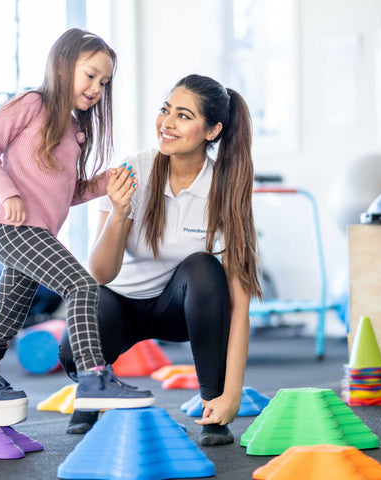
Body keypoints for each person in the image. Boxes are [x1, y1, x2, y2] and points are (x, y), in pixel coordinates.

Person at [0, 28, 154, 428]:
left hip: (39, 235)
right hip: (15, 230)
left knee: (8, 315)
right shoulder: (32, 104)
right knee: (81, 285)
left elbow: (67, 192)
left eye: (104, 81)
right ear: (64, 66)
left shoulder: (74, 131)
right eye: (90, 75)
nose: (97, 87)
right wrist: (8, 193)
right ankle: (94, 377)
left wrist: (102, 182)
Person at [58, 73, 263, 445]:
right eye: (165, 110)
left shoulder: (225, 189)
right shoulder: (134, 170)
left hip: (179, 310)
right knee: (72, 349)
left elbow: (240, 303)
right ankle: (91, 389)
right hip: (119, 303)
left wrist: (232, 394)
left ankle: (212, 407)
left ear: (212, 131)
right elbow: (101, 274)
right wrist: (119, 213)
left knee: (204, 269)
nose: (167, 123)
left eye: (183, 116)